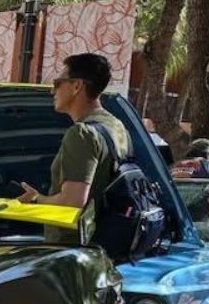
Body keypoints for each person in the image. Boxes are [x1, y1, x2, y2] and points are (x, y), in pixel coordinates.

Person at [16, 52, 131, 243]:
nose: (53, 91)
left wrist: (37, 199)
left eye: (57, 83)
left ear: (77, 86)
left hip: (73, 250)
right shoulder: (116, 126)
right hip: (105, 244)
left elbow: (72, 202)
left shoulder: (81, 134)